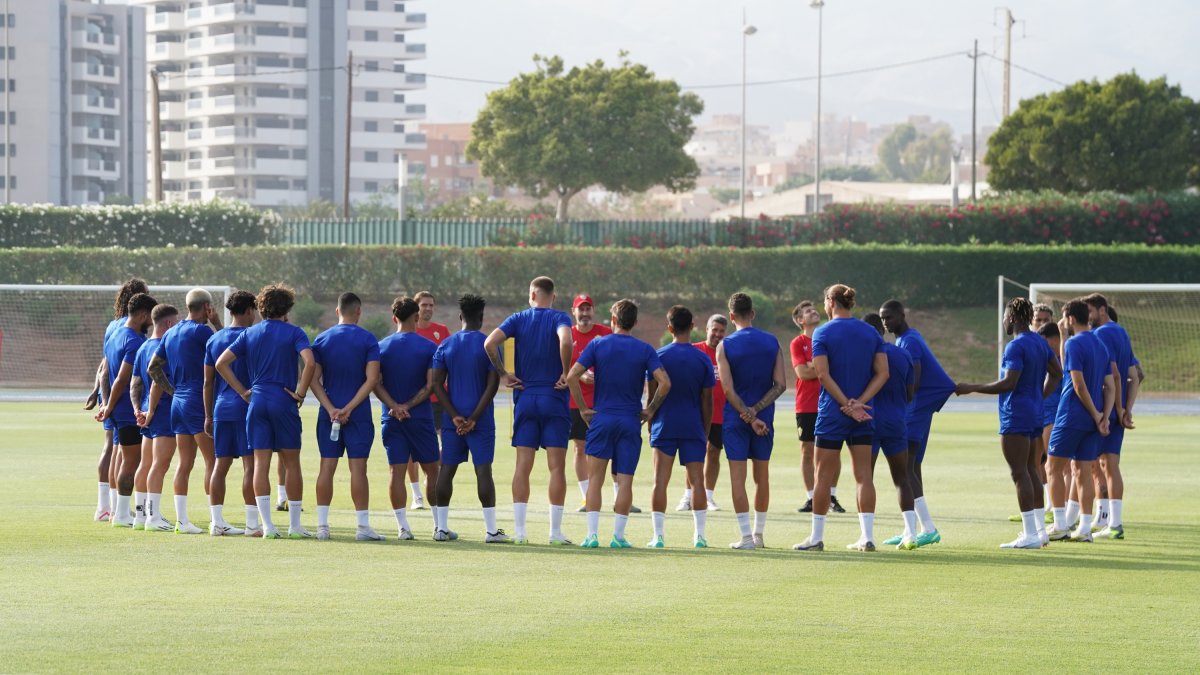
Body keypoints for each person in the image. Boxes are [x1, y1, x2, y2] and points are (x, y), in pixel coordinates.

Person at [955, 298, 1063, 549]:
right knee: (1032, 469)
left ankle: (1030, 534)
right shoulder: (1039, 340)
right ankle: (1039, 531)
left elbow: (1008, 383)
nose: (1003, 321)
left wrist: (971, 387)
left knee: (1019, 473)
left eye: (1004, 317)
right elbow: (1057, 373)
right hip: (1035, 413)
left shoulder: (1015, 347)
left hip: (1016, 415)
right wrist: (1040, 395)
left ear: (1012, 318)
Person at [215, 283, 317, 539]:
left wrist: (242, 391)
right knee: (291, 463)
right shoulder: (295, 332)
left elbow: (221, 363)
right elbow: (310, 361)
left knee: (260, 464)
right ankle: (294, 526)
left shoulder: (250, 333)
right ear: (287, 309)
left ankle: (268, 526)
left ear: (261, 308)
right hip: (284, 400)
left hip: (257, 400)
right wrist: (301, 393)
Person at [568, 299, 669, 548]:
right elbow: (665, 382)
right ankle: (618, 536)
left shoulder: (598, 343)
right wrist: (651, 409)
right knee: (625, 480)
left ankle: (592, 536)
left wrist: (582, 408)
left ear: (613, 320)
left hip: (601, 418)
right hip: (630, 420)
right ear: (634, 322)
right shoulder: (644, 349)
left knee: (595, 480)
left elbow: (572, 376)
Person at [794, 285, 888, 552]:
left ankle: (816, 537)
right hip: (863, 413)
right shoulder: (870, 331)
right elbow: (883, 373)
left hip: (832, 412)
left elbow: (822, 375)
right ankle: (867, 536)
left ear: (831, 302)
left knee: (822, 476)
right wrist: (860, 402)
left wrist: (845, 403)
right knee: (864, 476)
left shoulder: (822, 332)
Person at [484, 276, 574, 545]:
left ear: (531, 295)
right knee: (556, 468)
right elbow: (566, 341)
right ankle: (554, 532)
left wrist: (503, 374)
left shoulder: (518, 318)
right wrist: (566, 372)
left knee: (522, 466)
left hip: (525, 397)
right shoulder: (560, 317)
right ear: (553, 296)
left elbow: (489, 343)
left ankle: (520, 532)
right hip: (554, 396)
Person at [431, 294, 510, 543]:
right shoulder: (489, 345)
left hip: (452, 421)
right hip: (481, 420)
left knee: (447, 470)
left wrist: (454, 416)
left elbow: (436, 384)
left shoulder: (446, 344)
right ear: (482, 317)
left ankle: (441, 529)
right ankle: (490, 531)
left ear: (460, 316)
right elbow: (492, 384)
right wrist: (474, 418)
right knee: (483, 471)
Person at [879, 299, 955, 547]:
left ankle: (916, 529)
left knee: (905, 468)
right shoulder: (909, 337)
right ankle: (922, 527)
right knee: (911, 468)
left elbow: (916, 380)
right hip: (920, 408)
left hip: (916, 408)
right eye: (882, 318)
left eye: (889, 317)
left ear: (902, 314)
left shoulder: (909, 341)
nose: (886, 322)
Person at [147, 288, 224, 534]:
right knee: (212, 460)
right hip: (197, 401)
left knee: (184, 463)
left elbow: (153, 368)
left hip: (178, 402)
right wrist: (217, 323)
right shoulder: (202, 331)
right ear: (206, 308)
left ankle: (182, 521)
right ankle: (217, 520)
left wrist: (172, 390)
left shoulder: (171, 333)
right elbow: (225, 350)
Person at [310, 292, 383, 541]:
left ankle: (322, 527)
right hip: (358, 414)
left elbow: (313, 379)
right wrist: (350, 408)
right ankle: (362, 528)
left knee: (326, 467)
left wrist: (331, 408)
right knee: (358, 470)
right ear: (358, 311)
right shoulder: (368, 339)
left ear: (337, 311)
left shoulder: (321, 339)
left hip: (328, 414)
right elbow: (372, 379)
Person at [717, 293, 787, 550]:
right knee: (762, 477)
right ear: (753, 313)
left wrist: (746, 413)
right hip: (764, 418)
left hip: (735, 418)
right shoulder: (772, 342)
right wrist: (756, 411)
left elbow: (727, 388)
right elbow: (780, 384)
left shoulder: (725, 345)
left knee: (738, 478)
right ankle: (759, 534)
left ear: (731, 315)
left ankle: (746, 537)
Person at [1045, 298, 1114, 543]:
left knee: (1052, 467)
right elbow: (1110, 385)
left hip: (1071, 415)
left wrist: (1096, 414)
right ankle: (1085, 528)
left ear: (1071, 319)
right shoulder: (1100, 344)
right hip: (1092, 421)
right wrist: (1103, 416)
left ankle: (1060, 524)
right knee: (1081, 470)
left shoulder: (1075, 343)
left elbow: (1077, 384)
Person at [646, 306, 713, 548]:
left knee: (660, 481)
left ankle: (659, 536)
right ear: (693, 327)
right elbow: (707, 399)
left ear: (670, 328)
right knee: (697, 481)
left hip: (665, 425)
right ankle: (699, 536)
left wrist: (651, 423)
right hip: (693, 425)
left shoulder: (659, 356)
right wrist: (704, 430)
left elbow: (652, 395)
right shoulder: (703, 358)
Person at [375, 296, 441, 540]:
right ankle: (439, 526)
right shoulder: (429, 347)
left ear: (394, 318)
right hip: (421, 417)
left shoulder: (381, 347)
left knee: (396, 471)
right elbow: (431, 385)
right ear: (416, 317)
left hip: (391, 418)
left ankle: (403, 528)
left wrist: (394, 406)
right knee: (432, 470)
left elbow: (375, 383)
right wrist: (409, 405)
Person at [96, 292, 156, 528]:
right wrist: (110, 406)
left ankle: (116, 510)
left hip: (117, 410)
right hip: (126, 410)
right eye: (150, 317)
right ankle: (122, 514)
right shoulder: (134, 341)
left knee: (120, 458)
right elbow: (122, 378)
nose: (151, 322)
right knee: (131, 462)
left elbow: (104, 373)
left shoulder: (115, 333)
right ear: (142, 315)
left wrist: (106, 404)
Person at [202, 291, 259, 536]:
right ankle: (252, 524)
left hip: (221, 408)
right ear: (248, 310)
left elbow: (207, 383)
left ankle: (216, 522)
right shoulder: (253, 337)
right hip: (246, 406)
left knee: (220, 466)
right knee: (250, 467)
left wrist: (208, 415)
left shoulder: (214, 340)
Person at [862, 313, 920, 550]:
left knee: (865, 478)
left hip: (870, 421)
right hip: (897, 420)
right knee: (902, 479)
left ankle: (867, 536)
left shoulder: (865, 355)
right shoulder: (903, 354)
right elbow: (910, 392)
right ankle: (912, 533)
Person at [1083, 293, 1139, 539]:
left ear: (1101, 310)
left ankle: (1108, 521)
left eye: (1090, 311)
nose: (1088, 317)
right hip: (1117, 409)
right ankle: (1107, 519)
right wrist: (1127, 408)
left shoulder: (1100, 334)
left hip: (1105, 408)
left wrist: (1113, 411)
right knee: (1108, 465)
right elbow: (1135, 375)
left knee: (1094, 464)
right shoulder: (1121, 332)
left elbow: (1114, 375)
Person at [792, 301, 845, 514]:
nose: (814, 312)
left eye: (814, 309)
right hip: (806, 404)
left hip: (830, 401)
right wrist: (822, 366)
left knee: (833, 450)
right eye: (807, 311)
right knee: (807, 451)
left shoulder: (827, 337)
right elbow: (803, 373)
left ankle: (831, 495)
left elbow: (835, 367)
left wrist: (814, 365)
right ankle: (812, 497)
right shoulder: (798, 342)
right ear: (800, 320)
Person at [131, 303, 179, 531]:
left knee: (147, 464)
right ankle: (153, 516)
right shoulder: (164, 347)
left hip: (147, 412)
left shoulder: (143, 347)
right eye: (176, 322)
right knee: (160, 465)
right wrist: (151, 412)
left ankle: (141, 514)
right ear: (169, 323)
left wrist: (137, 409)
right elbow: (156, 383)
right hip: (161, 411)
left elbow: (135, 382)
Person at [567, 293, 613, 511]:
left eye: (588, 309)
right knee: (580, 447)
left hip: (604, 400)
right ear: (573, 312)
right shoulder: (567, 335)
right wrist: (579, 375)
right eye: (580, 309)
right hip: (576, 402)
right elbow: (560, 364)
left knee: (609, 447)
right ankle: (587, 497)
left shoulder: (605, 334)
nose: (584, 313)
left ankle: (620, 496)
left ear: (593, 311)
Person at [680, 314, 728, 512]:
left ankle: (708, 496)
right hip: (697, 412)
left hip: (721, 413)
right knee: (694, 455)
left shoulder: (727, 352)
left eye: (721, 331)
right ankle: (688, 496)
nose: (717, 334)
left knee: (713, 452)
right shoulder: (696, 350)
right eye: (714, 330)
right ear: (706, 329)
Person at [409, 290, 450, 509]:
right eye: (424, 305)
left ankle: (432, 482)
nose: (428, 309)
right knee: (409, 451)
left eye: (431, 305)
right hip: (416, 399)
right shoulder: (409, 331)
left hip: (440, 399)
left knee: (448, 443)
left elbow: (451, 361)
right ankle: (416, 495)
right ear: (416, 308)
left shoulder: (442, 331)